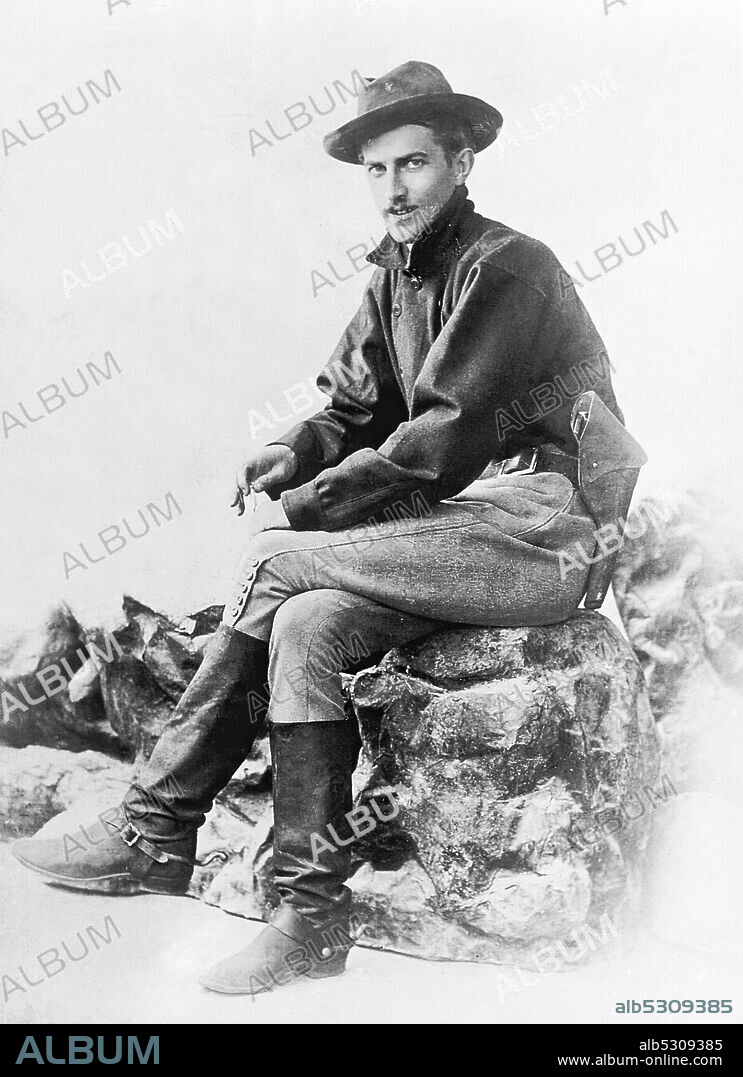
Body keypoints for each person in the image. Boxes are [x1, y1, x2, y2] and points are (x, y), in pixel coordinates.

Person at [13, 60, 631, 996]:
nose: (392, 189)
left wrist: (302, 511)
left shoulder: (508, 267)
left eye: (413, 164)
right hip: (459, 529)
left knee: (274, 556)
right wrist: (290, 452)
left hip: (546, 525)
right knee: (304, 622)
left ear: (461, 162)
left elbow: (442, 436)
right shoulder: (395, 275)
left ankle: (155, 821)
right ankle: (308, 918)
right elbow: (352, 406)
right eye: (376, 171)